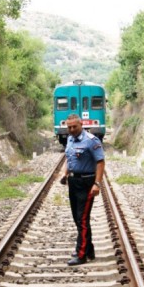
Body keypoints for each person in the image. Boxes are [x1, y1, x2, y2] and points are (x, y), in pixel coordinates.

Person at [59, 114, 105, 265]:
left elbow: (100, 162)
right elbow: (69, 158)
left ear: (81, 125)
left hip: (86, 182)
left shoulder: (91, 140)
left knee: (82, 219)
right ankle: (89, 250)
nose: (71, 130)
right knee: (77, 218)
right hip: (73, 182)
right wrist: (65, 174)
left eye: (74, 127)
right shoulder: (70, 139)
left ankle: (81, 254)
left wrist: (97, 184)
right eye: (69, 127)